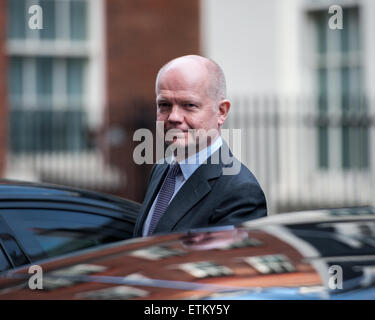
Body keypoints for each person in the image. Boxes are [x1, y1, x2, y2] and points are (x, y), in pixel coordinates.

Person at [133, 55, 267, 237]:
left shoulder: (240, 192)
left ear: (221, 112)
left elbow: (226, 264)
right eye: (164, 105)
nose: (173, 117)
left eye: (189, 105)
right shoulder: (161, 168)